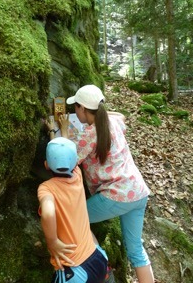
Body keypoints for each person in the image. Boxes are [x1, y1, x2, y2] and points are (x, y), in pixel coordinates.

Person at [56, 85, 155, 283]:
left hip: (116, 195)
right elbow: (122, 116)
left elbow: (66, 160)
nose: (75, 111)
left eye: (76, 106)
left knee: (74, 220)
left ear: (83, 109)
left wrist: (63, 130)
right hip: (138, 192)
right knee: (136, 249)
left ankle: (101, 267)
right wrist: (100, 110)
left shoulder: (89, 135)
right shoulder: (113, 121)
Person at [37, 136, 109, 283]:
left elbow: (48, 212)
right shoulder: (77, 175)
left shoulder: (47, 188)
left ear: (46, 165)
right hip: (98, 258)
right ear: (75, 162)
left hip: (75, 272)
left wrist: (53, 242)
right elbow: (68, 157)